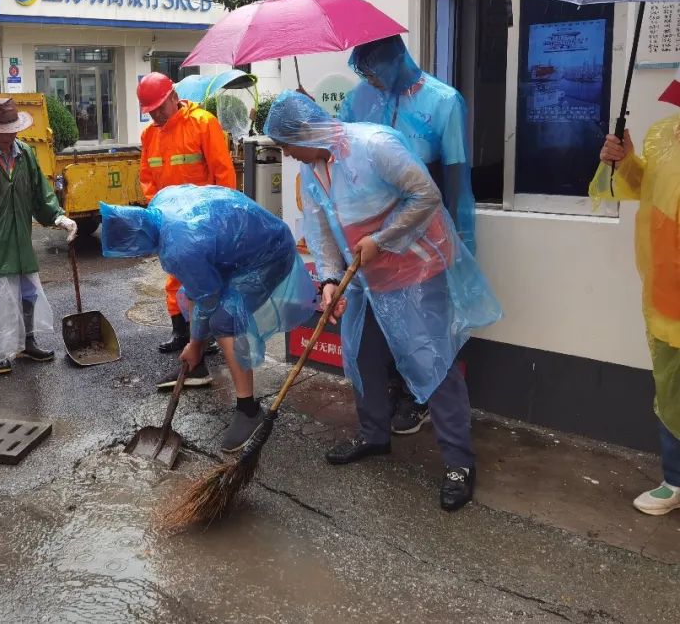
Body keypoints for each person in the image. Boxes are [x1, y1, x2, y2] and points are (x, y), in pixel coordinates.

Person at [265, 92, 501, 511]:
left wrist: (383, 238)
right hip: (364, 276)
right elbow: (321, 231)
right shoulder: (311, 170)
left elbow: (425, 196)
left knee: (432, 362)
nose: (286, 154)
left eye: (286, 144)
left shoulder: (374, 146)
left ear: (304, 132)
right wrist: (330, 280)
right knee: (361, 356)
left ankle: (459, 463)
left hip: (414, 270)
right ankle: (374, 435)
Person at [101, 185, 318, 452]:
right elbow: (198, 291)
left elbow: (209, 299)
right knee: (192, 291)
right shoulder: (162, 201)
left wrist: (195, 343)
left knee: (224, 319)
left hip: (268, 255)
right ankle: (197, 366)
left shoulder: (180, 249)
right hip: (239, 248)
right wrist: (196, 343)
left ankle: (249, 409)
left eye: (132, 249)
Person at [340, 35, 477, 437]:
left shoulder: (443, 101)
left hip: (423, 232)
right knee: (378, 322)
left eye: (373, 70)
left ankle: (418, 398)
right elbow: (339, 151)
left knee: (423, 324)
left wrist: (458, 236)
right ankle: (385, 397)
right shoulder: (358, 99)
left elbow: (455, 175)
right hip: (373, 234)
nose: (369, 79)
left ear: (395, 60)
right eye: (363, 72)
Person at [593, 105, 680, 515]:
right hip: (668, 294)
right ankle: (675, 480)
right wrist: (625, 161)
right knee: (671, 390)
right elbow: (649, 188)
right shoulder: (665, 135)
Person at [0, 97, 77, 375]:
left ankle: (27, 343)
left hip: (19, 239)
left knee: (27, 292)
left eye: (11, 130)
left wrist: (58, 216)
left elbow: (40, 193)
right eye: (1, 131)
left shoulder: (25, 154)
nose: (7, 137)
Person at [137, 72, 238, 364]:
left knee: (204, 279)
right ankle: (180, 332)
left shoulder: (203, 124)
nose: (156, 115)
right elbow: (147, 177)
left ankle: (206, 335)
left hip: (204, 218)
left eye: (160, 108)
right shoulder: (149, 135)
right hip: (170, 219)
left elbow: (223, 173)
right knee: (174, 275)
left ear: (173, 97)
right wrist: (156, 213)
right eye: (151, 111)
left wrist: (221, 217)